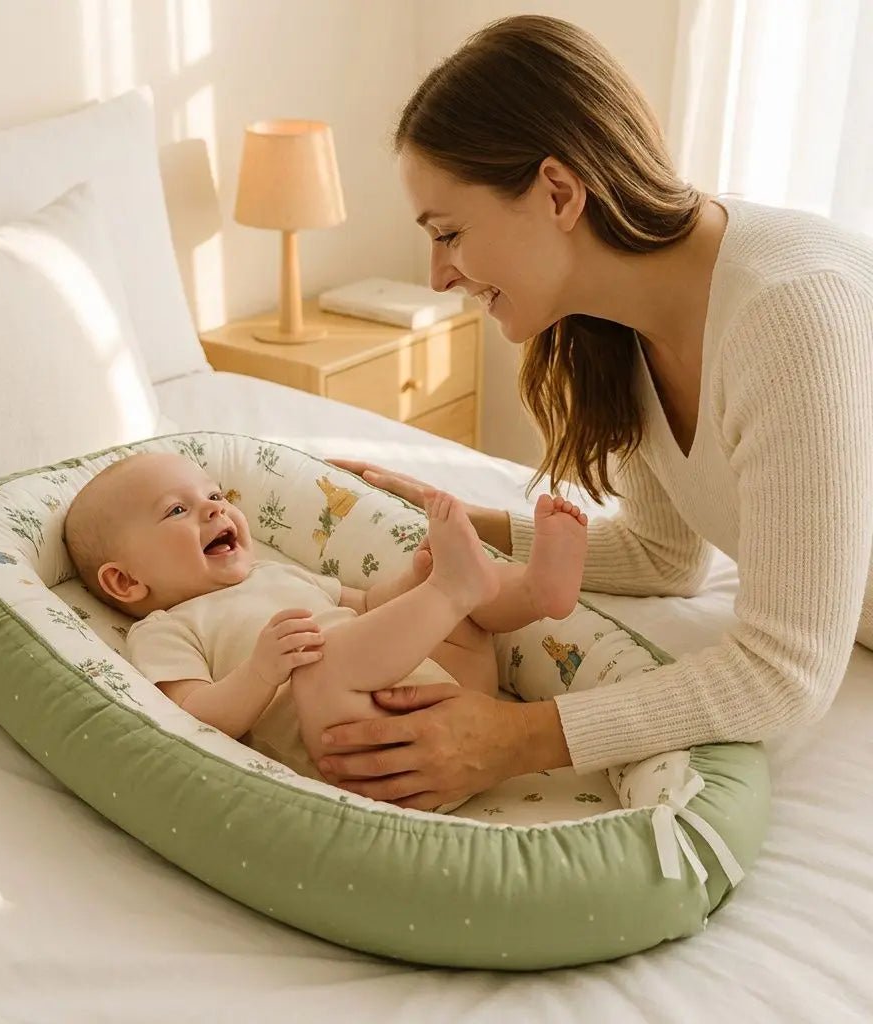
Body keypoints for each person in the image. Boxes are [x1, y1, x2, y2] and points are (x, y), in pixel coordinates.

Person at [314, 13, 873, 811]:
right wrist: (470, 524)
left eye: (449, 233)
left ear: (557, 192)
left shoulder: (789, 313)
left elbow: (785, 672)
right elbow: (664, 557)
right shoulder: (620, 325)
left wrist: (513, 740)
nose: (438, 275)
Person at [62, 451, 589, 808]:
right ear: (125, 581)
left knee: (452, 609)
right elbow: (195, 717)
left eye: (216, 495)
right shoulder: (163, 629)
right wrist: (260, 673)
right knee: (320, 666)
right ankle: (457, 588)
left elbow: (370, 605)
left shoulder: (272, 571)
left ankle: (536, 592)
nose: (215, 508)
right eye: (178, 509)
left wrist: (415, 578)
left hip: (462, 712)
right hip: (365, 756)